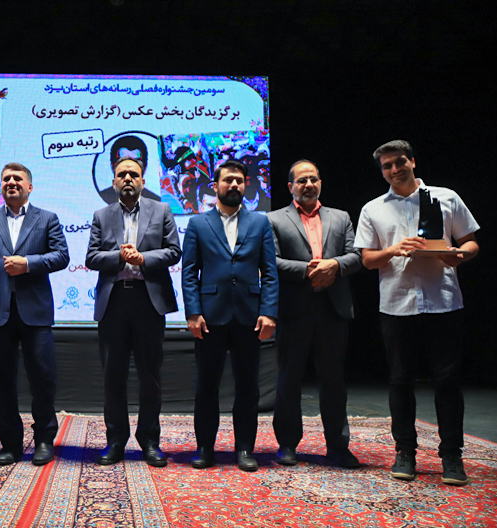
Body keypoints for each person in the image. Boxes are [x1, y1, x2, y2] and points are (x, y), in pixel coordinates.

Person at [355, 140, 479, 486]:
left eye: (399, 162)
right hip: (397, 305)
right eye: (387, 166)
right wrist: (394, 250)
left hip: (443, 301)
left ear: (412, 161)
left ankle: (451, 455)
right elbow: (367, 259)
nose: (394, 169)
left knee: (448, 382)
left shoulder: (446, 197)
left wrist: (456, 254)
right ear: (382, 171)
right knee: (400, 381)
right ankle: (405, 452)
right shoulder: (373, 209)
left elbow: (471, 242)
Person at [0, 162, 69, 466]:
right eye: (6, 179)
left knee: (43, 379)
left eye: (17, 178)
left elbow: (62, 256)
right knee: (2, 381)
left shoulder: (47, 218)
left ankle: (44, 440)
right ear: (1, 186)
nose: (11, 182)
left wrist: (29, 263)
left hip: (35, 311)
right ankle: (10, 443)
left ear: (29, 187)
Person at [181, 159, 278, 471]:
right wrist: (193, 312)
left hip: (249, 317)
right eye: (228, 180)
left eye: (239, 180)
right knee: (206, 386)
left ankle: (245, 449)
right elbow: (189, 273)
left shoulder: (260, 223)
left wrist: (269, 312)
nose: (234, 184)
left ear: (246, 184)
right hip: (209, 318)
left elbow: (270, 272)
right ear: (216, 185)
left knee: (248, 386)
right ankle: (204, 448)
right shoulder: (198, 224)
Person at [85, 156, 181, 467]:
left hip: (148, 301)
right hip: (113, 302)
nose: (128, 179)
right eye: (122, 174)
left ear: (143, 181)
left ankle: (150, 441)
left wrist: (143, 259)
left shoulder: (162, 210)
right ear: (113, 182)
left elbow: (174, 251)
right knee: (113, 376)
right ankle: (115, 441)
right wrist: (119, 256)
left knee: (150, 376)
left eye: (133, 174)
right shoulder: (101, 215)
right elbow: (91, 257)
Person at [267, 160, 362, 468]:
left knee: (334, 380)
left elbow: (356, 255)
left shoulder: (341, 217)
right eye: (302, 180)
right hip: (293, 309)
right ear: (290, 186)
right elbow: (270, 262)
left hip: (333, 309)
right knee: (289, 379)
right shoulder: (273, 219)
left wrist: (334, 265)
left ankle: (338, 446)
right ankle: (287, 444)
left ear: (320, 182)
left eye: (313, 179)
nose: (308, 185)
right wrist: (308, 271)